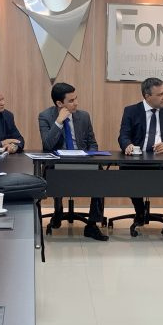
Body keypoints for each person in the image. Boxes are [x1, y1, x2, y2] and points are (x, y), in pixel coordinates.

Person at [118, 77, 163, 241]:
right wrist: (127, 145)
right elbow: (123, 136)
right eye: (160, 94)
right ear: (147, 96)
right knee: (125, 172)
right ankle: (140, 212)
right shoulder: (131, 111)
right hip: (138, 161)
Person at [37, 82, 108, 241]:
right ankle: (58, 211)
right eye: (71, 100)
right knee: (52, 174)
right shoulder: (45, 116)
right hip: (58, 165)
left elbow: (92, 143)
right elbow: (47, 145)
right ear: (59, 103)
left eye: (76, 98)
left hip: (82, 163)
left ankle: (92, 225)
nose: (76, 103)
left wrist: (90, 158)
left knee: (101, 176)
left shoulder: (84, 116)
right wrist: (58, 122)